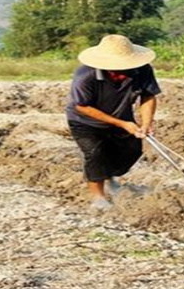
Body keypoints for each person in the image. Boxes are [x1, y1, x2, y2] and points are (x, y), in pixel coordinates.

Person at [65, 34, 161, 211]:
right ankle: (98, 197)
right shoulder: (86, 75)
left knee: (132, 150)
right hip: (85, 121)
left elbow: (148, 95)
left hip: (121, 115)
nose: (123, 73)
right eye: (118, 69)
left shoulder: (143, 70)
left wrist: (147, 123)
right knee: (95, 153)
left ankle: (110, 176)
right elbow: (83, 107)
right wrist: (123, 124)